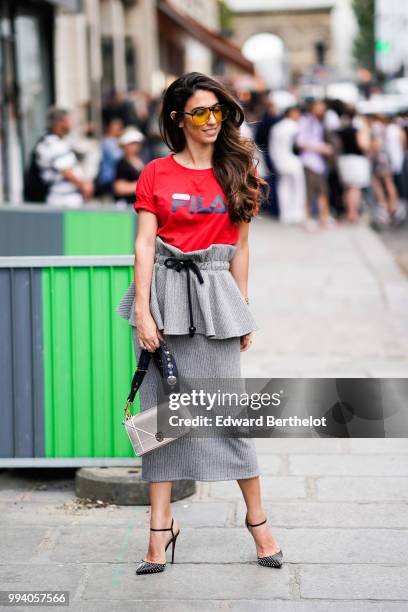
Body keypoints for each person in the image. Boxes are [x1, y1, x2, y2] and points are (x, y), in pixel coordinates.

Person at [115, 72, 284, 575]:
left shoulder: (239, 170)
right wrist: (143, 310)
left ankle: (258, 522)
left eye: (218, 111)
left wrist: (243, 306)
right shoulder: (156, 174)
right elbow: (145, 244)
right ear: (177, 118)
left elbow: (241, 247)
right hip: (164, 293)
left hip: (214, 298)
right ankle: (160, 529)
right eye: (200, 113)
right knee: (160, 420)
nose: (211, 121)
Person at [35, 107, 94, 207]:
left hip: (67, 196)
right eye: (68, 121)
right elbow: (66, 171)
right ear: (60, 123)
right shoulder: (51, 142)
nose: (71, 124)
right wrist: (84, 186)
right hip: (62, 198)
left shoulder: (59, 140)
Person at [296, 100, 337, 230]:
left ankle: (323, 216)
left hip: (318, 162)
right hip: (310, 161)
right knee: (310, 191)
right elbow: (301, 142)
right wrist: (321, 148)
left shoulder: (319, 121)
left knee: (322, 190)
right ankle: (308, 218)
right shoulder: (306, 121)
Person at [269, 105, 306, 224]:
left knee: (283, 188)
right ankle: (297, 214)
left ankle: (285, 214)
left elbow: (272, 147)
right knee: (297, 188)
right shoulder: (295, 126)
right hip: (292, 161)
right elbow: (300, 144)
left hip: (280, 161)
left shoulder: (276, 127)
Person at [336, 107, 371, 223]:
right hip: (356, 161)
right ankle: (353, 213)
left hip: (344, 160)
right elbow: (363, 145)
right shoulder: (358, 130)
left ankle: (349, 212)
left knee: (348, 188)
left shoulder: (342, 130)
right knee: (355, 188)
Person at [113, 127, 145, 205]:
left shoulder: (142, 161)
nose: (135, 146)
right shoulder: (122, 164)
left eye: (137, 143)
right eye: (132, 144)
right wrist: (143, 185)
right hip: (127, 206)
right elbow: (119, 188)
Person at [94, 118, 124, 196]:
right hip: (108, 179)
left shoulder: (116, 141)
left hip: (113, 179)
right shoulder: (107, 142)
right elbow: (117, 157)